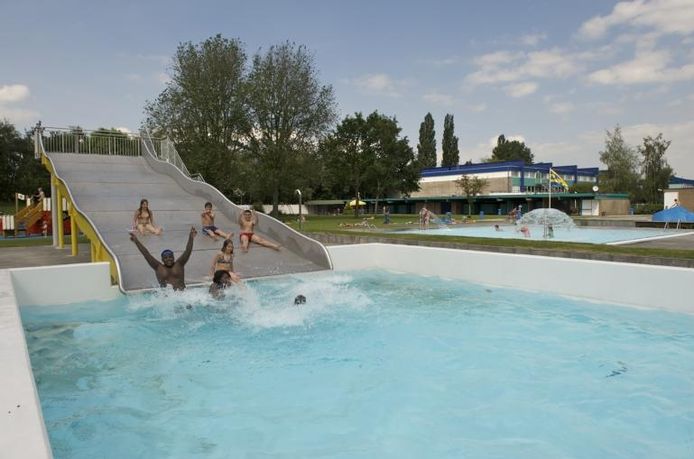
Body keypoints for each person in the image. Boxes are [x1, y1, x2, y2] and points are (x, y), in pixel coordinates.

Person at [129, 227, 197, 290]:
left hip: (182, 294)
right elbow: (146, 254)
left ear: (173, 257)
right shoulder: (158, 267)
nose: (168, 259)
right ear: (162, 260)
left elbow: (188, 251)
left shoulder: (179, 264)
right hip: (166, 297)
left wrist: (191, 237)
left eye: (170, 257)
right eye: (166, 258)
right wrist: (136, 241)